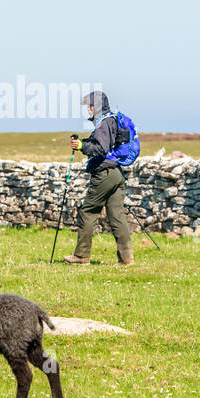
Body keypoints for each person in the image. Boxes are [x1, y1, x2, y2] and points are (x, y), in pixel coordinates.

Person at [64, 90, 132, 266]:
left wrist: (81, 145)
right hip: (116, 173)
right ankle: (126, 258)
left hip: (104, 174)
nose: (88, 110)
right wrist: (85, 143)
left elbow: (100, 148)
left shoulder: (103, 123)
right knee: (117, 216)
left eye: (90, 106)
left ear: (96, 107)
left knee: (88, 212)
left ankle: (81, 256)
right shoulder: (113, 120)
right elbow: (105, 145)